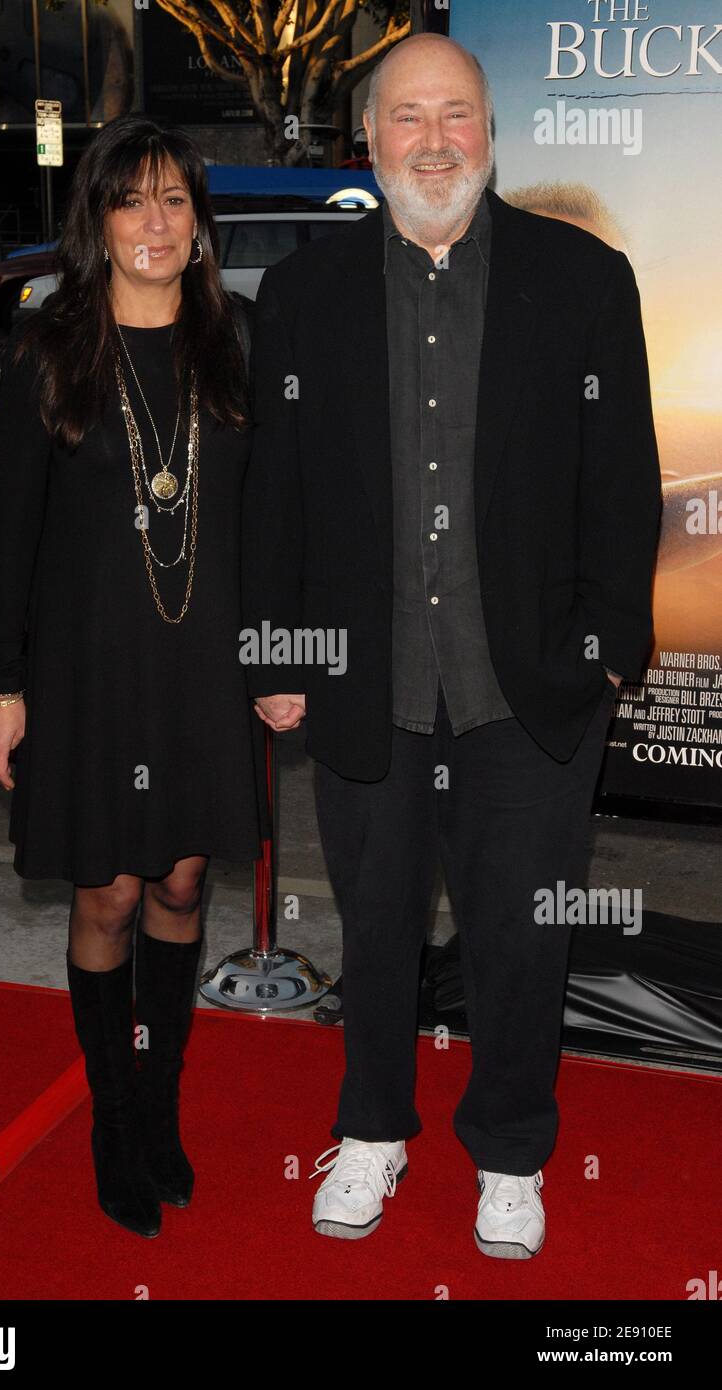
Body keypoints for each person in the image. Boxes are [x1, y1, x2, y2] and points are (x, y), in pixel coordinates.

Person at [241, 33, 661, 1257]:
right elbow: (277, 496)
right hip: (367, 682)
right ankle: (372, 1131)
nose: (436, 141)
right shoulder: (307, 294)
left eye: (459, 116)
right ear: (366, 143)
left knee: (523, 935)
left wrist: (610, 647)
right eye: (409, 118)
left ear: (492, 132)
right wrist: (275, 654)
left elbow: (622, 483)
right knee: (372, 927)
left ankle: (514, 1154)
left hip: (528, 690)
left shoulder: (583, 279)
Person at [0, 114, 266, 1239]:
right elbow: (11, 533)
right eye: (132, 200)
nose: (156, 221)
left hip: (203, 662)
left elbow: (277, 516)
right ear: (98, 221)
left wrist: (281, 654)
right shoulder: (52, 348)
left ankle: (161, 1105)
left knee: (183, 887)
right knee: (109, 893)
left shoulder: (238, 343)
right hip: (89, 666)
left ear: (199, 224)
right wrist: (1, 683)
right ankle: (111, 1117)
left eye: (176, 200)